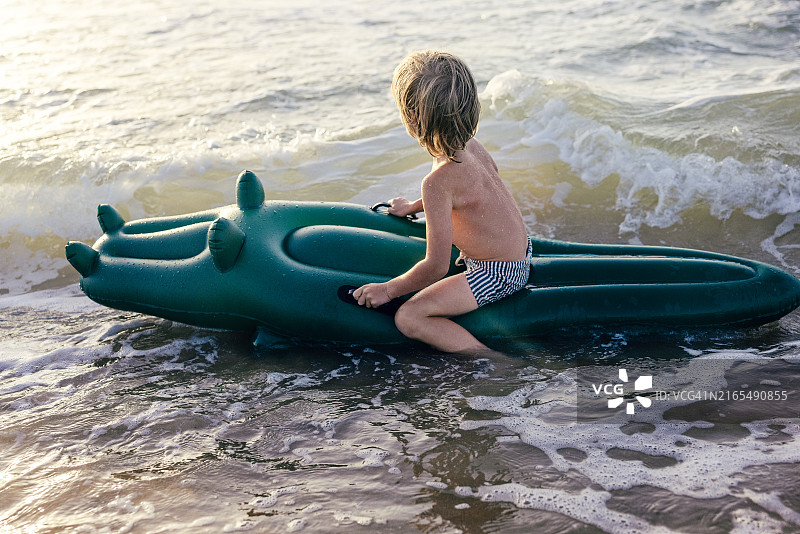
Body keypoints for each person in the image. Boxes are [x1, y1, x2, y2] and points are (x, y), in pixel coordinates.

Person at [352, 50, 531, 354]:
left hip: (496, 274)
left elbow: (435, 266)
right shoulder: (472, 147)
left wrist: (388, 290)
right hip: (521, 253)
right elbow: (470, 194)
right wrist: (413, 207)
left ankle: (491, 361)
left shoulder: (436, 184)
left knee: (409, 317)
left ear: (412, 117)